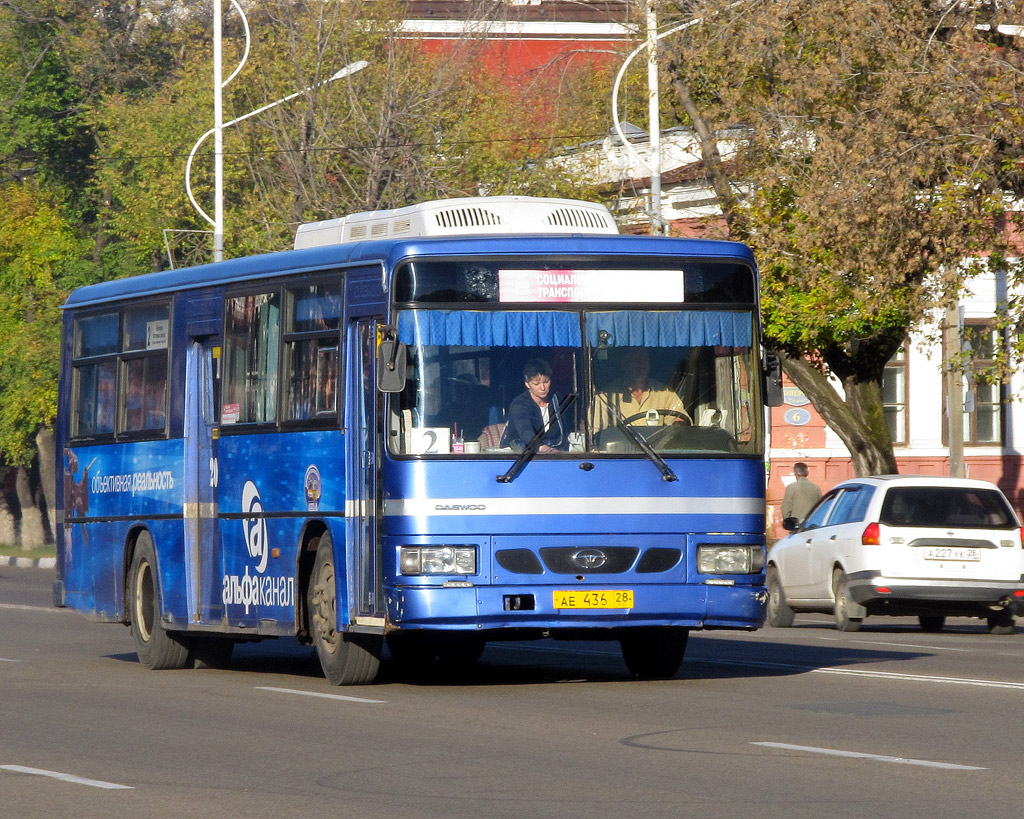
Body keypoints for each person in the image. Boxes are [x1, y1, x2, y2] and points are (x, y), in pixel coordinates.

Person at [594, 347, 690, 429]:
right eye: (635, 360)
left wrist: (678, 423)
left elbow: (680, 419)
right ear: (624, 363)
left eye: (644, 360)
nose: (641, 365)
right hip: (621, 450)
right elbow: (595, 432)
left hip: (656, 449)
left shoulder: (664, 392)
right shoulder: (605, 396)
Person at [500, 358, 567, 452]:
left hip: (553, 452)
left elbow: (565, 430)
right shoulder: (519, 405)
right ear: (527, 384)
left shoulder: (557, 399)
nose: (543, 388)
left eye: (546, 382)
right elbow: (525, 430)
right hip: (520, 455)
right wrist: (542, 448)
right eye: (536, 384)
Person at [781, 462, 821, 530]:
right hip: (812, 526)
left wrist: (788, 523)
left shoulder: (791, 487)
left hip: (797, 526)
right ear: (807, 473)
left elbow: (786, 509)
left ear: (795, 474)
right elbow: (821, 506)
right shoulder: (816, 488)